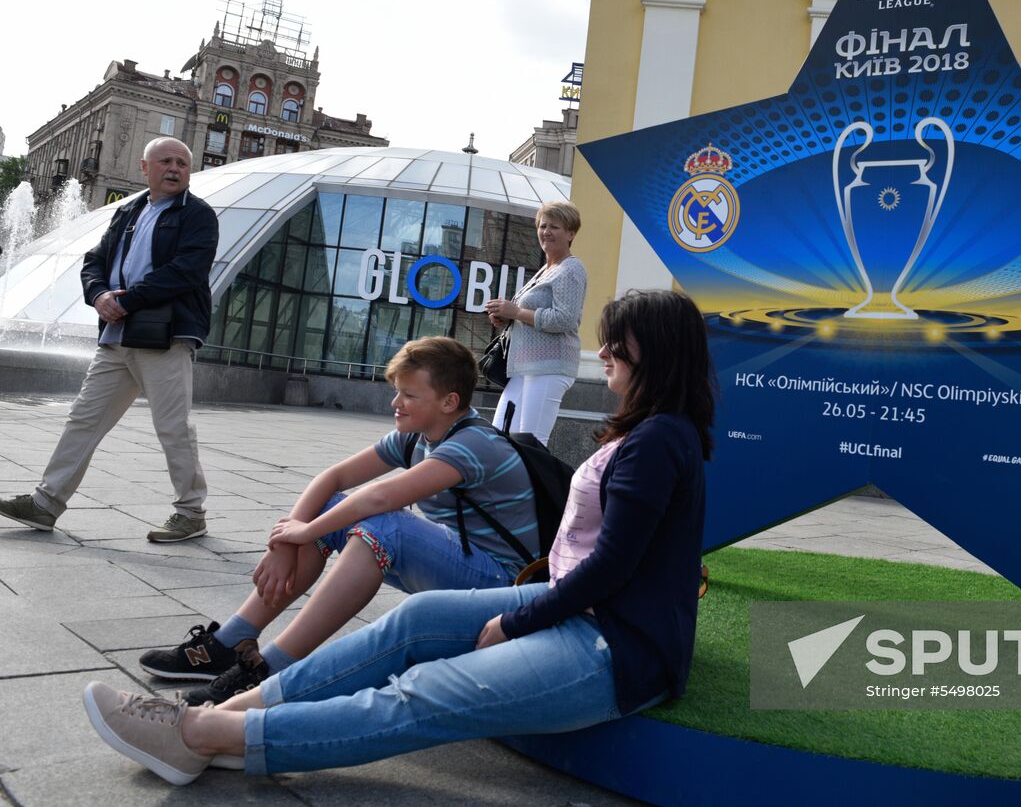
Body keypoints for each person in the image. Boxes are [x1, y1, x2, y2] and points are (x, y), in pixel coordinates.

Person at [82, 289, 714, 786]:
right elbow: (345, 483)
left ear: (655, 354)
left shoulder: (660, 441)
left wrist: (517, 622)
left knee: (419, 698)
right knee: (412, 622)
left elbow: (611, 569)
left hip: (614, 648)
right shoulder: (649, 432)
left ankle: (198, 737)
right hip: (575, 610)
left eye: (616, 346)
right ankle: (230, 708)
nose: (602, 355)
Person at [135, 335, 536, 706]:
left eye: (409, 394)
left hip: (501, 585)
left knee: (382, 522)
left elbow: (380, 496)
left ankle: (270, 670)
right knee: (329, 509)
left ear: (449, 402)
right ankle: (232, 641)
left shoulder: (474, 443)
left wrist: (305, 531)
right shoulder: (416, 436)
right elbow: (332, 479)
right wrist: (285, 542)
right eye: (396, 390)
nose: (395, 402)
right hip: (461, 565)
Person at [0, 137, 218, 543]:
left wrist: (128, 300)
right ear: (145, 167)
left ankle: (191, 513)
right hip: (117, 336)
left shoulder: (198, 216)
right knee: (84, 418)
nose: (175, 169)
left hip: (166, 336)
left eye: (183, 163)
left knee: (172, 427)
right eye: (166, 161)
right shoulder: (129, 211)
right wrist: (99, 295)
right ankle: (46, 504)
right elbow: (94, 262)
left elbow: (186, 270)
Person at [483, 199, 586, 445]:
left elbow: (565, 319)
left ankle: (534, 484)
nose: (546, 232)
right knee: (501, 435)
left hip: (549, 367)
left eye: (555, 227)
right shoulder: (546, 270)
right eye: (543, 225)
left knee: (531, 442)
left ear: (571, 233)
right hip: (525, 367)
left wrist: (516, 312)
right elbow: (528, 315)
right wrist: (506, 317)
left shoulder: (571, 269)